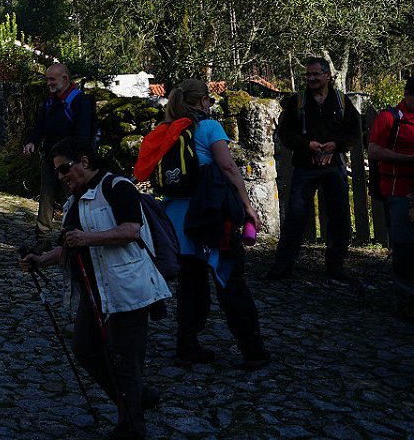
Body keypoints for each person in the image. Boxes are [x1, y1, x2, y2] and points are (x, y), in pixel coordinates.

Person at [21, 137, 170, 440]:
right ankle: (136, 397)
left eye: (64, 169)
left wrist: (87, 239)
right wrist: (41, 260)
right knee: (85, 349)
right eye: (57, 171)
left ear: (85, 162)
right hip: (94, 289)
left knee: (124, 358)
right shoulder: (74, 201)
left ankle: (132, 426)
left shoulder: (118, 187)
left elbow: (131, 230)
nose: (61, 176)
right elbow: (71, 246)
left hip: (128, 288)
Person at [153, 80, 269, 370]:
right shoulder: (209, 127)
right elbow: (228, 167)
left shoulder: (167, 130)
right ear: (204, 101)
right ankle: (253, 350)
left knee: (191, 284)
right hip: (210, 217)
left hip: (178, 219)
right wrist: (247, 207)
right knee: (230, 279)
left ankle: (186, 346)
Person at [271, 57, 361, 283]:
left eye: (315, 74)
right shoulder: (297, 102)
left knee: (339, 216)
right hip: (305, 167)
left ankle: (336, 265)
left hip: (334, 167)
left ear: (327, 76)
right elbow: (285, 133)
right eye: (308, 75)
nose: (311, 78)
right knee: (295, 217)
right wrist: (306, 146)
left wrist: (336, 146)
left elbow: (354, 131)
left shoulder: (341, 102)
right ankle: (283, 267)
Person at [23, 63, 97, 251]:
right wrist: (31, 141)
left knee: (73, 197)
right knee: (46, 197)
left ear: (65, 79)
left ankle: (73, 235)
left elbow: (83, 134)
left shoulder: (79, 101)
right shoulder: (49, 102)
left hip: (71, 162)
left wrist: (76, 161)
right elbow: (39, 126)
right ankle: (43, 238)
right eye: (47, 79)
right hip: (50, 158)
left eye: (52, 79)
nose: (48, 83)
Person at [366, 76, 414, 321]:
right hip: (398, 191)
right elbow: (373, 150)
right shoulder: (389, 118)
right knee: (405, 247)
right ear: (407, 95)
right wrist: (409, 159)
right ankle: (405, 301)